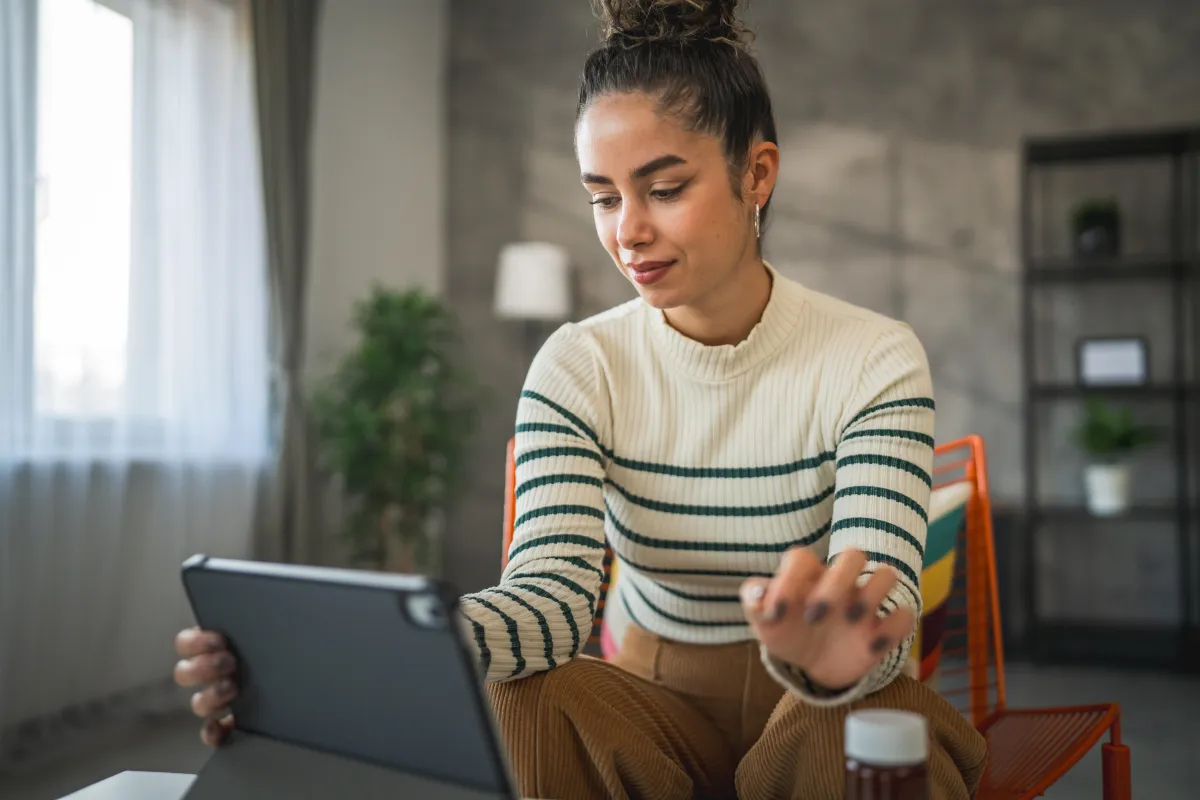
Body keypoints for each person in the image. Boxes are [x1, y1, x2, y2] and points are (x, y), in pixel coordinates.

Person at [174, 1, 989, 797]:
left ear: (757, 174)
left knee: (850, 718)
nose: (626, 231)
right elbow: (551, 602)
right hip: (653, 704)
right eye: (603, 196)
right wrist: (354, 660)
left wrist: (842, 655)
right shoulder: (578, 364)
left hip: (815, 705)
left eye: (663, 188)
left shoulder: (870, 357)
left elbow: (883, 599)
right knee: (530, 693)